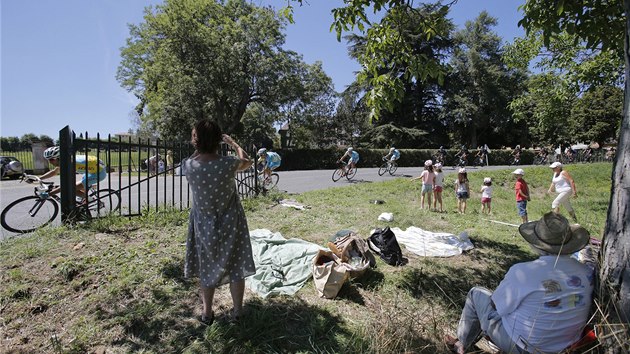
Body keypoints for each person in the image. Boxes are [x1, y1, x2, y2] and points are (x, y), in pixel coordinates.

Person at [445, 212, 594, 354]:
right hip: (565, 347)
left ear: (537, 243)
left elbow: (496, 307)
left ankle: (461, 344)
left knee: (475, 293)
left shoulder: (524, 272)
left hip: (524, 347)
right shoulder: (586, 271)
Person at [183, 120, 256, 325]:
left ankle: (207, 314)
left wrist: (200, 148)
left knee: (206, 267)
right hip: (231, 221)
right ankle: (238, 312)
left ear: (195, 141)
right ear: (218, 140)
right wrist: (234, 144)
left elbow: (193, 158)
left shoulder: (189, 165)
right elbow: (247, 161)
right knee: (236, 265)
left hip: (203, 224)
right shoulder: (228, 163)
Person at [40, 146, 107, 201]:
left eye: (51, 159)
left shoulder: (71, 164)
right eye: (48, 160)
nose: (50, 162)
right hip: (91, 170)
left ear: (59, 158)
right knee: (78, 188)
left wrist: (49, 194)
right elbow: (54, 172)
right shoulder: (66, 160)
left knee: (71, 189)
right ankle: (84, 197)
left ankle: (91, 200)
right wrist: (39, 178)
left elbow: (66, 186)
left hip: (99, 173)